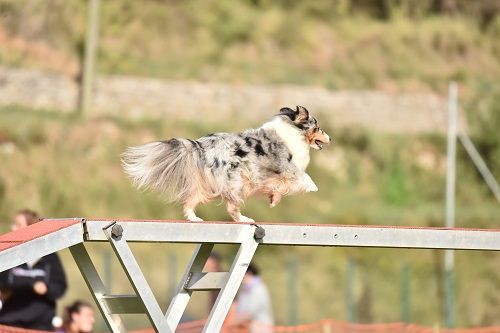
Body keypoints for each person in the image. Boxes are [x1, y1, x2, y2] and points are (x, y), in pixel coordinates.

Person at [0, 209, 68, 330]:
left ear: (31, 228)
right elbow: (4, 283)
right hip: (10, 321)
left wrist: (46, 288)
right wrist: (30, 285)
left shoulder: (49, 256)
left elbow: (60, 286)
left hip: (40, 324)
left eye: (18, 225)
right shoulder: (8, 254)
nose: (12, 228)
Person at [235, 263, 274, 333]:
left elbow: (250, 312)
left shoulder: (258, 288)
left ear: (248, 273)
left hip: (261, 328)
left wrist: (234, 321)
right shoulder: (245, 289)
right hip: (249, 328)